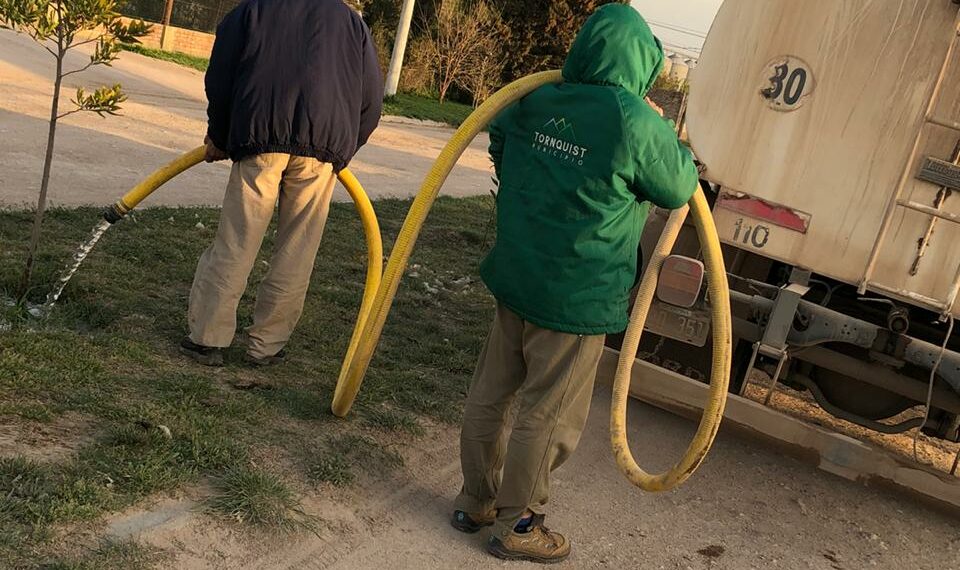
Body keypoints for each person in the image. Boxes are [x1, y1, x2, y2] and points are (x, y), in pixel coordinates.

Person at [451, 5, 699, 564]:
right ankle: (519, 525)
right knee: (549, 411)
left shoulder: (536, 98)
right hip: (576, 295)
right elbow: (679, 184)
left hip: (517, 276)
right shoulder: (633, 119)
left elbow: (501, 146)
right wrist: (656, 126)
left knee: (491, 392)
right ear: (641, 62)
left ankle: (475, 499)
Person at [179, 0, 383, 367]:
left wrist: (221, 136)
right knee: (297, 250)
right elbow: (371, 100)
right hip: (322, 148)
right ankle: (267, 345)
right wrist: (343, 149)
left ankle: (208, 338)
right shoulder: (352, 24)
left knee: (237, 238)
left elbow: (221, 78)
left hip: (260, 138)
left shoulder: (251, 11)